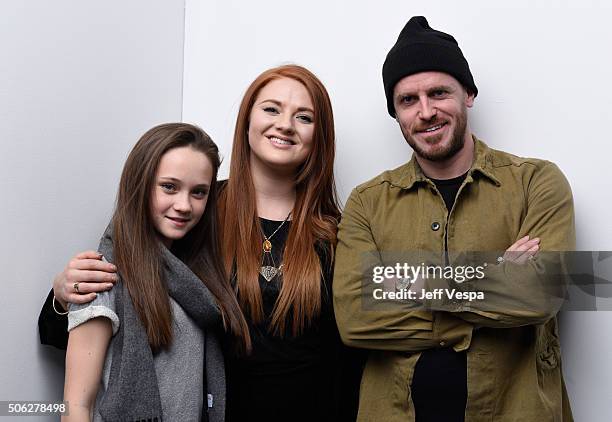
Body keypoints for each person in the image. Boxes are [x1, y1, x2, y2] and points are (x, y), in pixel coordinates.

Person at [40, 66, 361, 422]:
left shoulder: (340, 233)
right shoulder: (196, 208)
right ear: (247, 121)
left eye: (304, 117)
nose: (285, 124)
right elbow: (114, 300)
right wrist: (61, 294)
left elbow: (356, 351)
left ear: (320, 136)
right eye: (271, 109)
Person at [333, 16, 575, 422]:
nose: (425, 112)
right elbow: (353, 320)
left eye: (438, 92)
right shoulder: (366, 202)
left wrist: (399, 282)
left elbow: (545, 292)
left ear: (468, 94)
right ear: (395, 112)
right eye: (408, 100)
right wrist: (496, 275)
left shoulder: (538, 181)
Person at [60, 123, 250, 422]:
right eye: (169, 187)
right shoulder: (103, 275)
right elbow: (76, 405)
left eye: (199, 192)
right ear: (140, 183)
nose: (184, 205)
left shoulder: (199, 277)